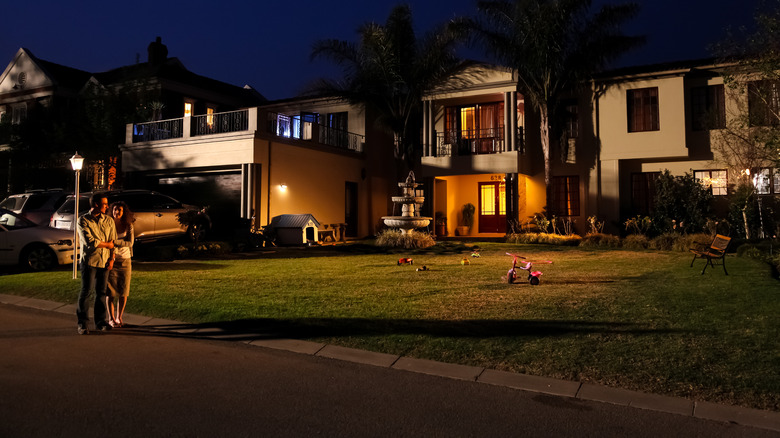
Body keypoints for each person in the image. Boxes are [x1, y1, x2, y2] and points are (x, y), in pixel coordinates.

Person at [76, 193, 117, 334]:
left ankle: (100, 322)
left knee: (101, 292)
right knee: (86, 291)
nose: (107, 206)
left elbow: (114, 241)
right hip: (89, 261)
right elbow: (90, 242)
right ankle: (83, 324)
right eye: (105, 204)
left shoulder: (109, 220)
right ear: (96, 204)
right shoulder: (83, 220)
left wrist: (111, 259)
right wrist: (108, 245)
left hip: (105, 261)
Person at [106, 201, 134, 327]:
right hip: (111, 260)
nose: (117, 212)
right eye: (115, 209)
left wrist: (115, 242)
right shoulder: (108, 224)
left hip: (125, 260)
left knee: (124, 291)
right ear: (111, 210)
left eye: (120, 210)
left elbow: (130, 243)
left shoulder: (128, 225)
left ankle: (119, 317)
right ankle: (111, 318)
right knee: (110, 292)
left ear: (124, 212)